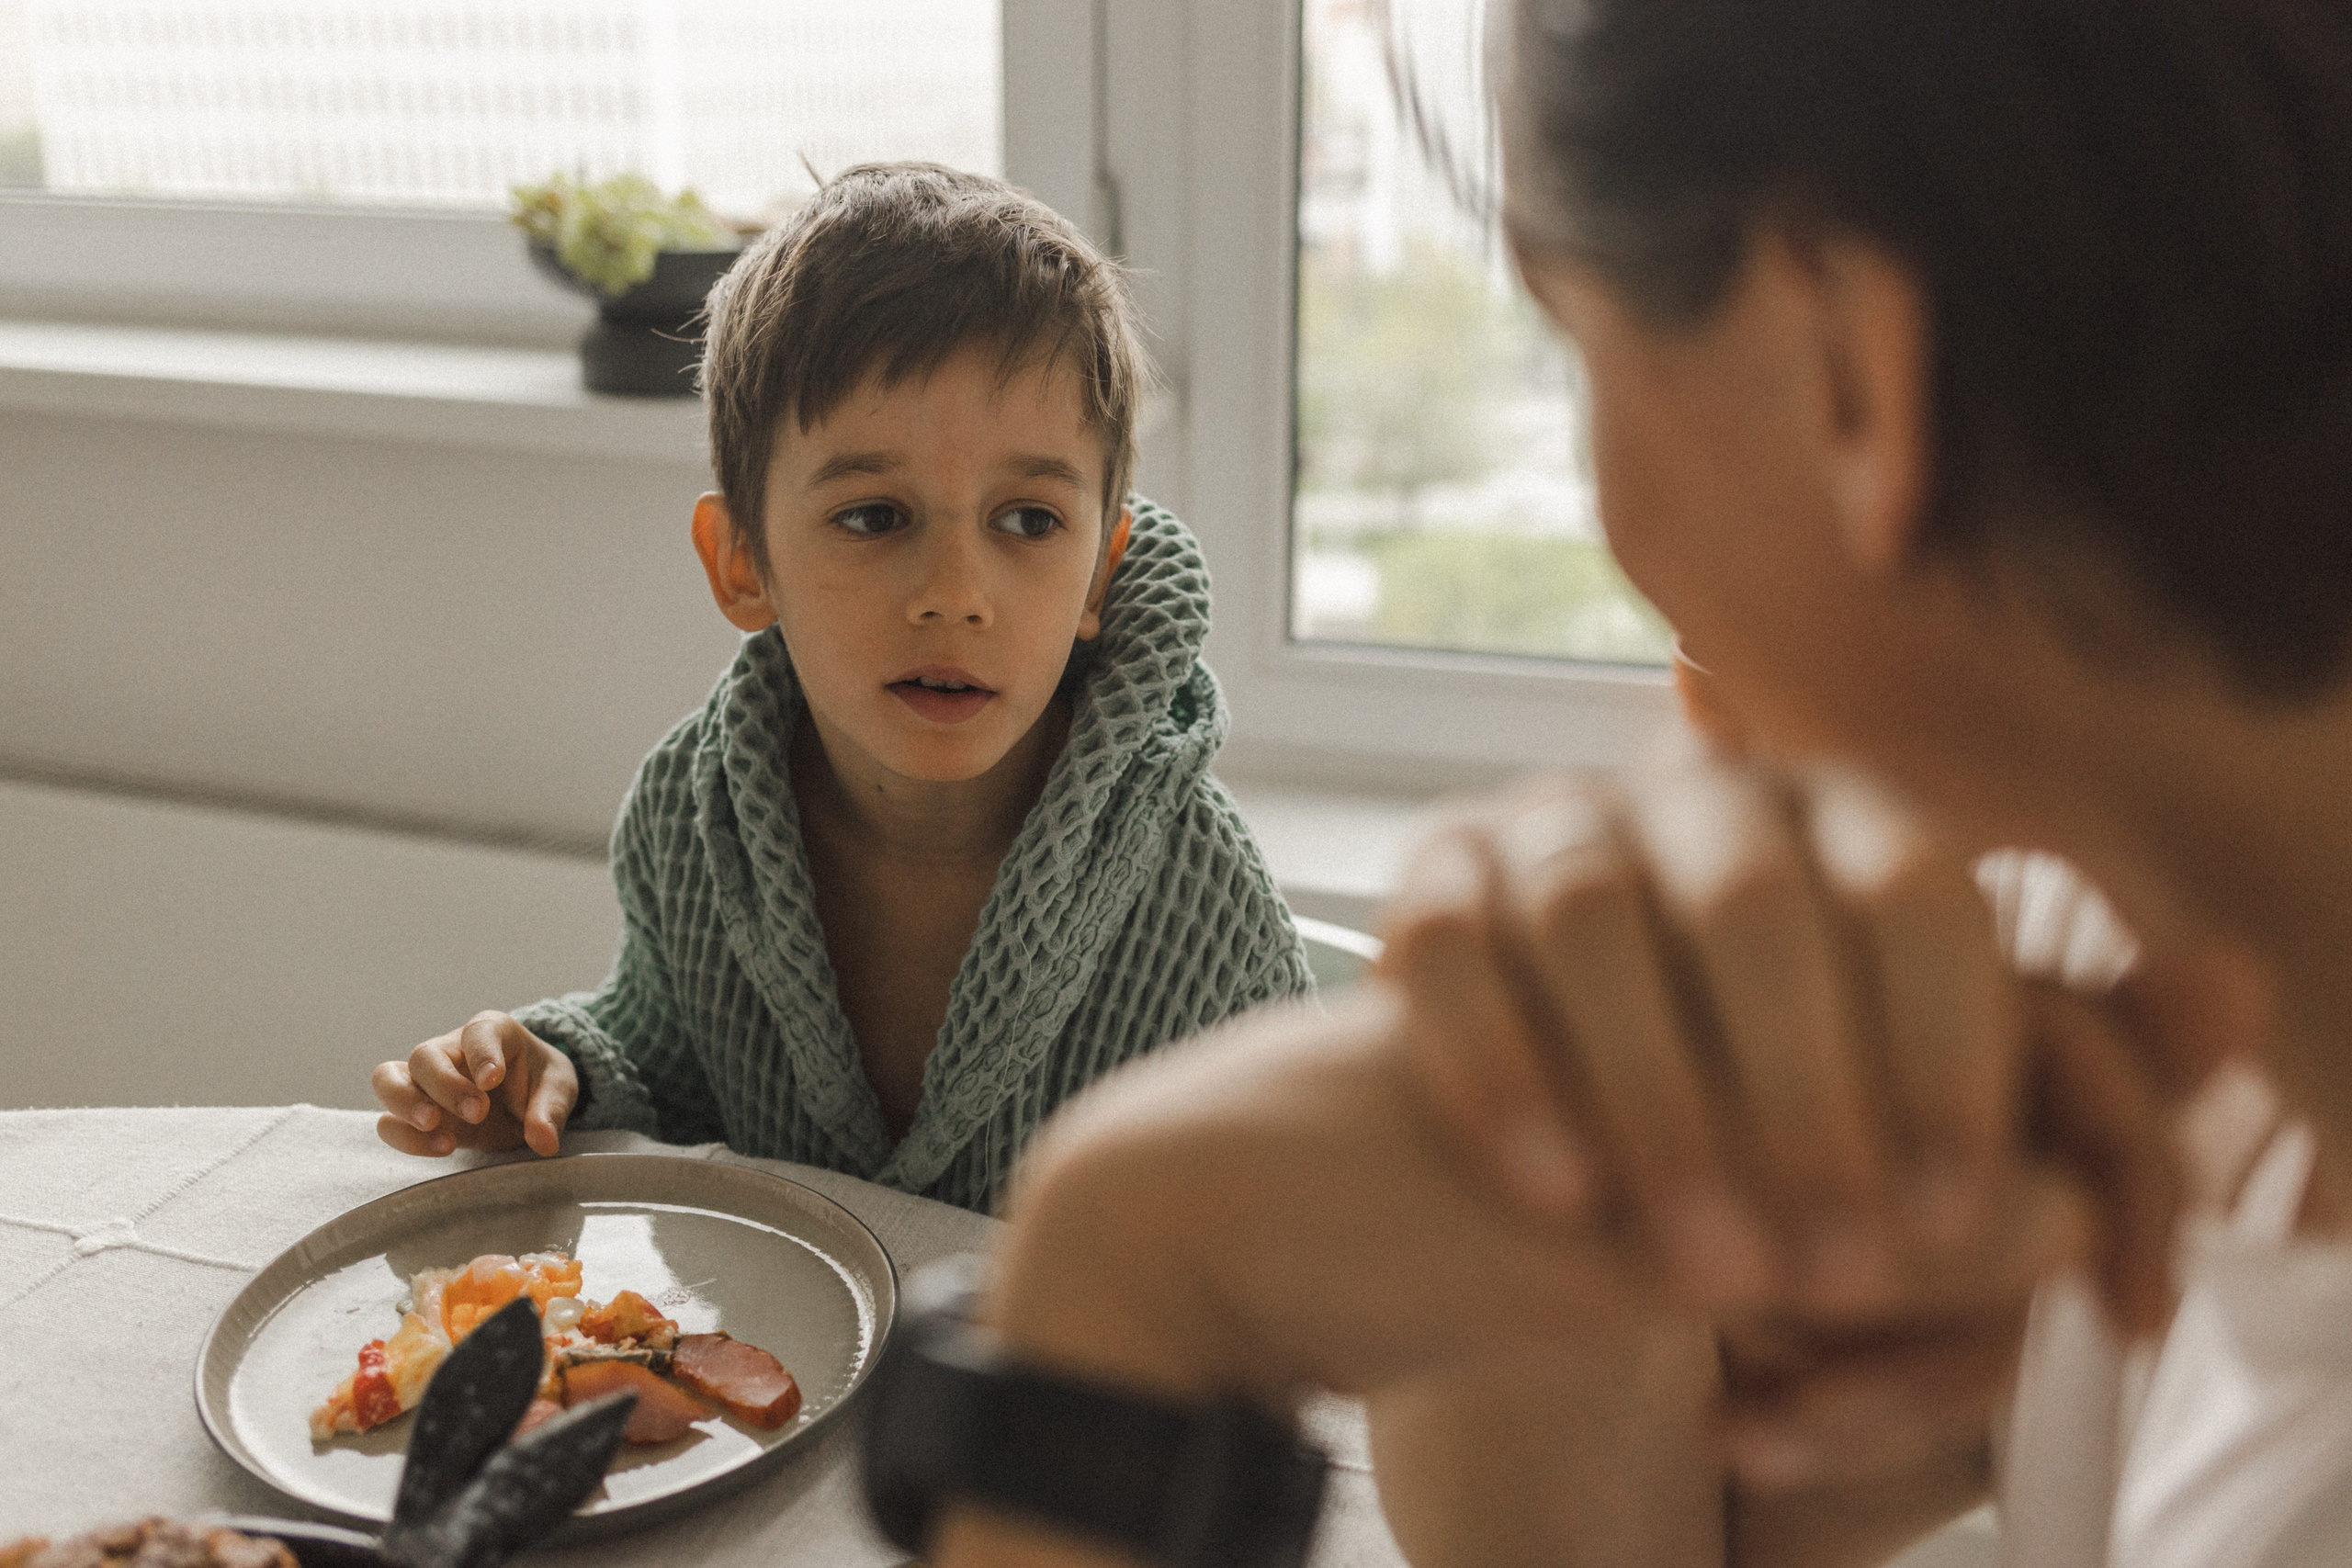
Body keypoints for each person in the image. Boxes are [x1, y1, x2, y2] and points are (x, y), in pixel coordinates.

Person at [901, 0, 2352, 1563]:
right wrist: (1534, 1150)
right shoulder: (2105, 946)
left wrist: (1133, 1277)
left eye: (1572, 338)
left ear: (1841, 361)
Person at [367, 163, 1312, 1213]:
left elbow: (1294, 1229)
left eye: (1029, 521)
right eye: (874, 517)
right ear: (741, 562)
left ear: (1101, 569)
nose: (955, 595)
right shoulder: (698, 817)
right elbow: (667, 1046)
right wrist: (556, 1069)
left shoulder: (1196, 897)